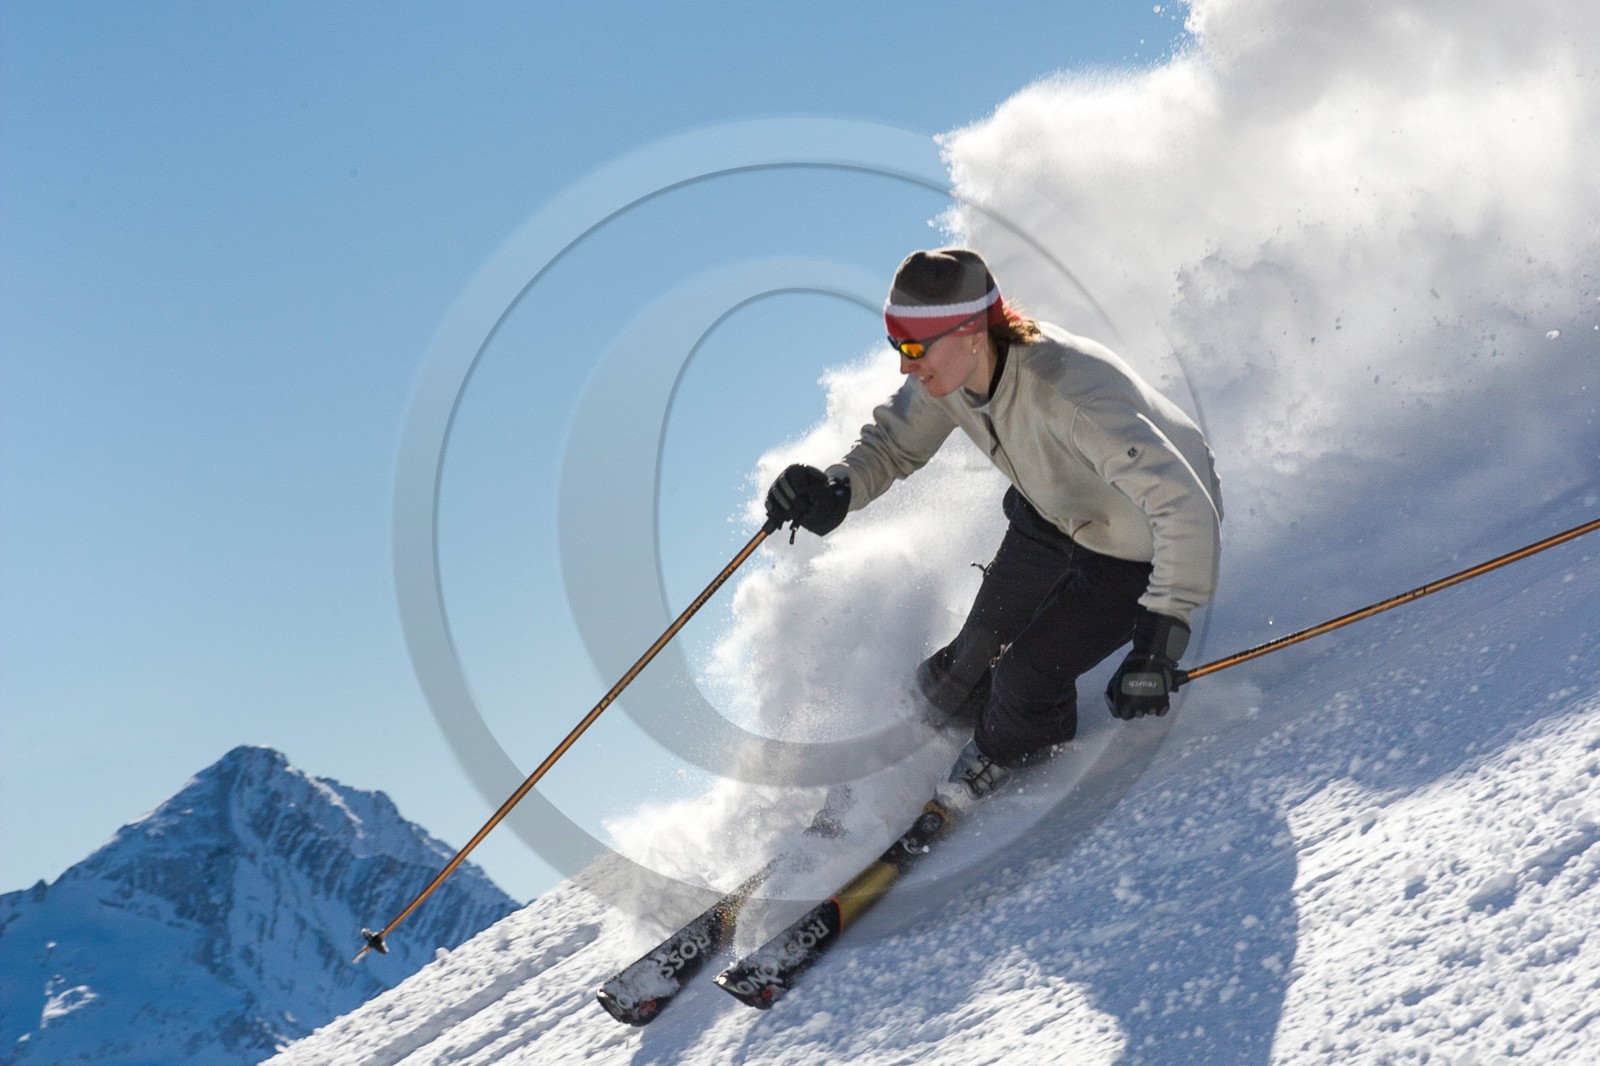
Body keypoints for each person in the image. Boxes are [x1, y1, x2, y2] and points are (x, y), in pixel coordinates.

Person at [764, 247, 1223, 803]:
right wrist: (836, 490)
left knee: (1025, 680)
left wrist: (1162, 639)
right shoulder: (952, 374)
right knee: (964, 670)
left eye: (913, 347)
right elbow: (891, 443)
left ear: (973, 332)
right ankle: (926, 739)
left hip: (1140, 541)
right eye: (896, 345)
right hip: (1057, 512)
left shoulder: (1068, 396)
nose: (905, 365)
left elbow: (1186, 507)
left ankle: (1015, 749)